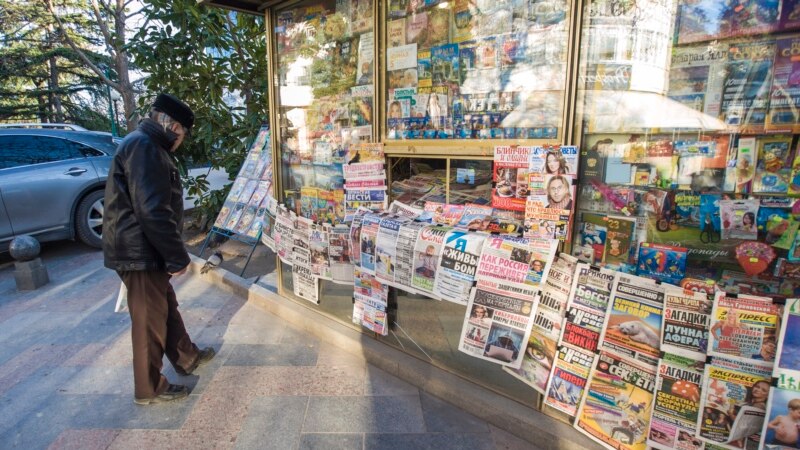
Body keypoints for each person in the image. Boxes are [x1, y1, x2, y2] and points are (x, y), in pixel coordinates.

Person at [103, 93, 215, 405]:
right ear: (173, 125)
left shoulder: (143, 144)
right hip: (140, 252)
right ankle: (149, 387)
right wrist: (176, 256)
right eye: (183, 133)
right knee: (149, 322)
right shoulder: (144, 147)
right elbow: (152, 209)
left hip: (141, 249)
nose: (182, 140)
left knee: (164, 307)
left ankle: (186, 356)